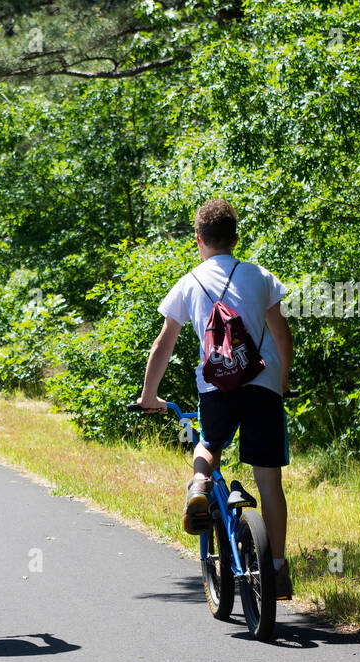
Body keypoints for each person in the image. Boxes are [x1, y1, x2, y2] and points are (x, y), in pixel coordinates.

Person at [136, 198, 295, 599]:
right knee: (269, 483)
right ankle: (276, 570)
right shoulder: (260, 276)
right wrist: (283, 382)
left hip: (217, 388)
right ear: (235, 238)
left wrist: (148, 395)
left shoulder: (189, 282)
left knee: (209, 443)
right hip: (263, 387)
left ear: (198, 240)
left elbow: (163, 345)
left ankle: (201, 485)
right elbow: (283, 335)